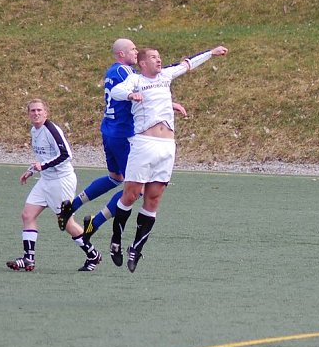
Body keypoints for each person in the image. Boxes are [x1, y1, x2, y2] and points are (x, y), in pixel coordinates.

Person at [91, 45, 229, 272]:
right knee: (131, 195)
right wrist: (129, 95)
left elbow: (187, 64)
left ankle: (136, 248)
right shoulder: (135, 80)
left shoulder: (165, 75)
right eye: (154, 57)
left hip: (167, 147)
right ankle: (116, 240)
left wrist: (211, 53)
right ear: (143, 63)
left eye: (160, 57)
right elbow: (116, 92)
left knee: (153, 199)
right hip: (144, 145)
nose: (159, 60)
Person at [62, 38, 185, 267]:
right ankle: (96, 224)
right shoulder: (124, 71)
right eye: (133, 50)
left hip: (110, 130)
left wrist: (169, 104)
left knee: (115, 178)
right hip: (128, 134)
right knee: (134, 191)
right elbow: (133, 90)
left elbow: (146, 92)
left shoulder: (112, 71)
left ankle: (73, 207)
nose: (136, 52)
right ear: (122, 55)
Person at [6, 99, 103, 272]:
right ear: (28, 114)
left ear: (46, 113)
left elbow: (66, 155)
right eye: (32, 111)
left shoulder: (51, 130)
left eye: (39, 110)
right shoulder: (34, 131)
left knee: (67, 223)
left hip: (61, 181)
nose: (36, 113)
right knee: (27, 215)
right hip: (46, 180)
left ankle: (93, 254)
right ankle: (29, 259)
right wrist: (32, 170)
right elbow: (43, 157)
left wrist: (42, 166)